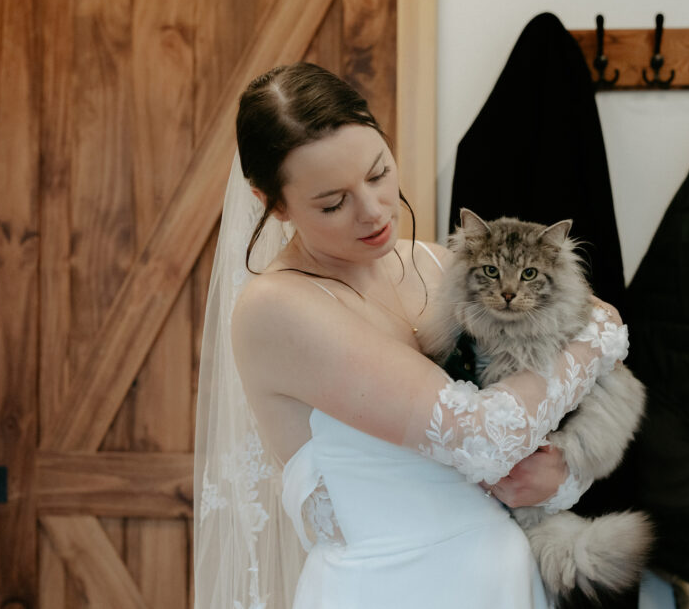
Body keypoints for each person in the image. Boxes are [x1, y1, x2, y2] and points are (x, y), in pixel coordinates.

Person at [192, 62, 627, 609]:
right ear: (272, 203)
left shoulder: (436, 263)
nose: (374, 211)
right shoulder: (277, 309)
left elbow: (535, 428)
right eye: (333, 202)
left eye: (377, 173)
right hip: (389, 590)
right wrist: (600, 334)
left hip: (506, 582)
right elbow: (486, 437)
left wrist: (558, 475)